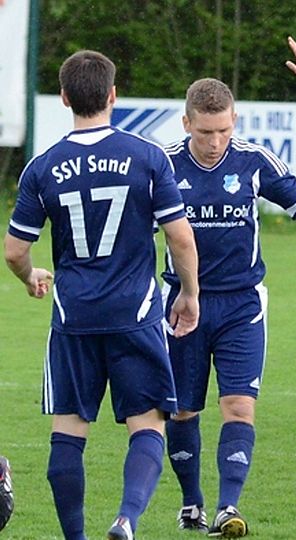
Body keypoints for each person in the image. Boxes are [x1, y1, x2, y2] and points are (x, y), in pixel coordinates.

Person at [4, 50, 200, 540]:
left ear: (64, 98)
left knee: (68, 433)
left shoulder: (42, 167)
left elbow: (14, 250)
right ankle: (126, 519)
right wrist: (189, 292)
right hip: (135, 312)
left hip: (74, 315)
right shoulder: (147, 156)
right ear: (113, 95)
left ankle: (76, 537)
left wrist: (29, 276)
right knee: (148, 424)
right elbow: (180, 238)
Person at [162, 78, 296, 538]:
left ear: (235, 121)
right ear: (186, 123)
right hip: (182, 305)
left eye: (223, 131)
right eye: (205, 132)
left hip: (242, 306)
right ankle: (192, 503)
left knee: (238, 406)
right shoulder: (164, 165)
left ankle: (228, 508)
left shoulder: (253, 161)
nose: (215, 142)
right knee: (183, 411)